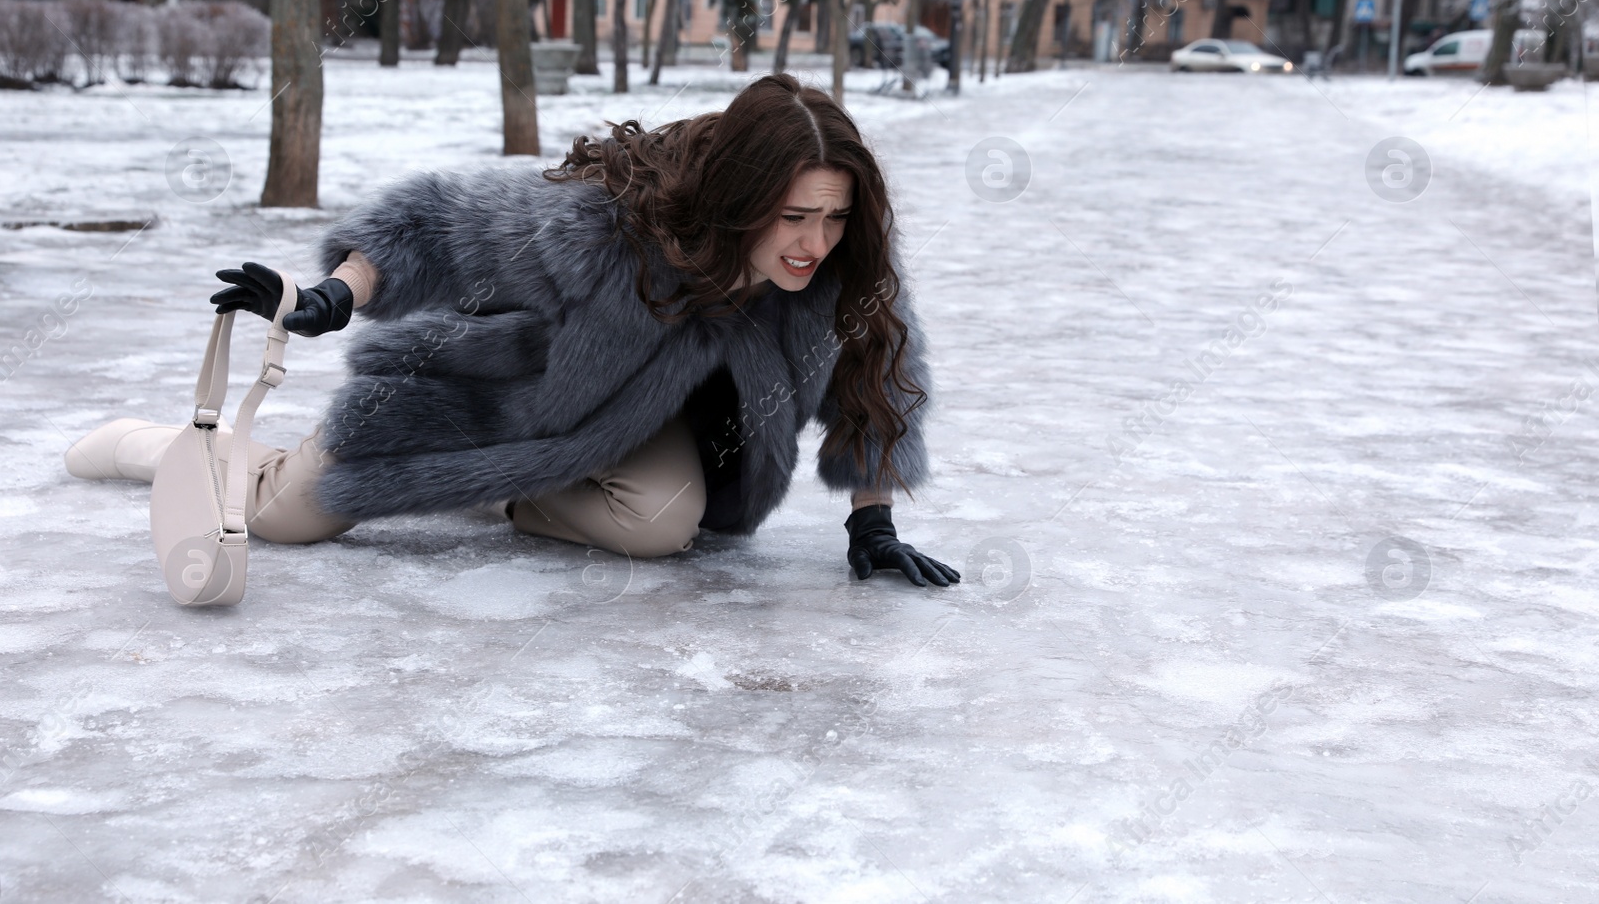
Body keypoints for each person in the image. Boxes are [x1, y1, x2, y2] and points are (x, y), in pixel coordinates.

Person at [64, 73, 959, 589]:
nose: (816, 242)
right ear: (741, 197)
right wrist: (332, 294)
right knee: (281, 516)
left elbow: (883, 373)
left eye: (835, 217)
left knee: (662, 524)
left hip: (624, 440)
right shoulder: (604, 230)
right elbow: (434, 220)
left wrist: (871, 523)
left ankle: (501, 493)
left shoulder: (841, 271)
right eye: (797, 214)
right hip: (491, 401)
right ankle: (158, 445)